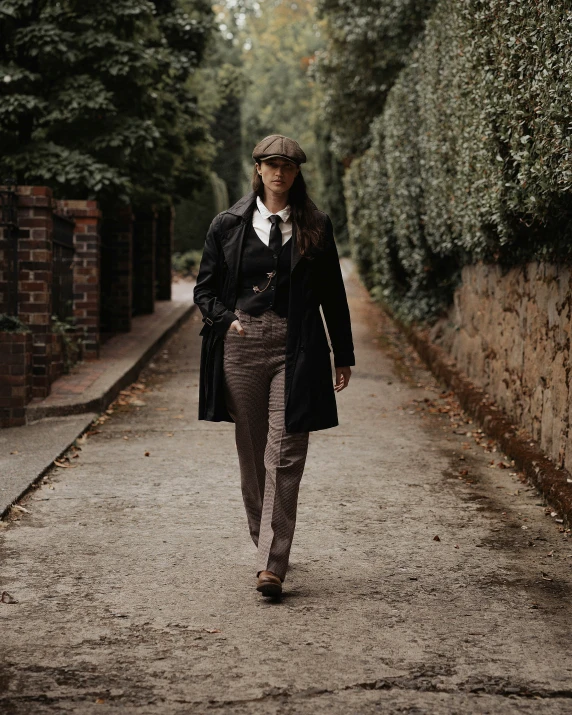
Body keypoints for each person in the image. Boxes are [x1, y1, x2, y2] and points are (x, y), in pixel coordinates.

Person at [194, 134, 355, 598]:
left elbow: (333, 296)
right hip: (241, 348)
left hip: (296, 347)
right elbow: (203, 291)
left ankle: (272, 563)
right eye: (271, 164)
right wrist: (227, 321)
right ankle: (265, 539)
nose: (279, 172)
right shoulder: (227, 225)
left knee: (285, 452)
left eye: (287, 165)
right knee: (252, 451)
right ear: (258, 169)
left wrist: (342, 354)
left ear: (297, 171)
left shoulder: (316, 226)